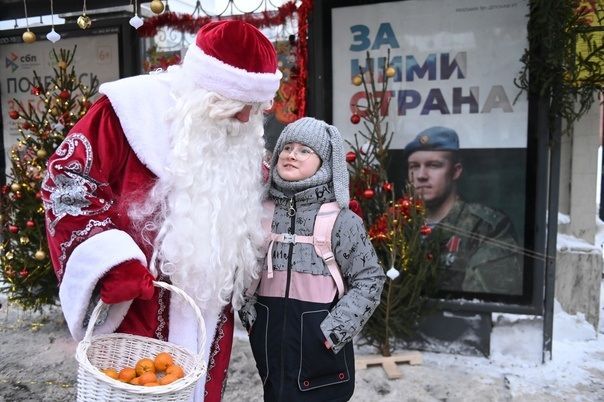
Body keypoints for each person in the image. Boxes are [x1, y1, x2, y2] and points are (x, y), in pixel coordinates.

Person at [41, 20, 282, 401]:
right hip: (137, 303)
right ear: (202, 90)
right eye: (235, 105)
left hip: (207, 313)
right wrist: (109, 260)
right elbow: (67, 182)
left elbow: (262, 197)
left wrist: (319, 212)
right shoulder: (128, 111)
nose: (243, 119)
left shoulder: (240, 135)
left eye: (254, 108)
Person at [239, 117, 386, 402]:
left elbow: (370, 279)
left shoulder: (341, 220)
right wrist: (250, 316)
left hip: (323, 348)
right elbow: (242, 267)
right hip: (270, 344)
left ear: (325, 162)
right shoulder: (260, 213)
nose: (292, 154)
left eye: (305, 150)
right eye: (287, 147)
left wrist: (333, 331)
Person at [404, 126, 523, 295]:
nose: (421, 175)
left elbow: (487, 299)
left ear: (455, 171)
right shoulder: (397, 225)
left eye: (434, 165)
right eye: (414, 166)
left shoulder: (485, 227)